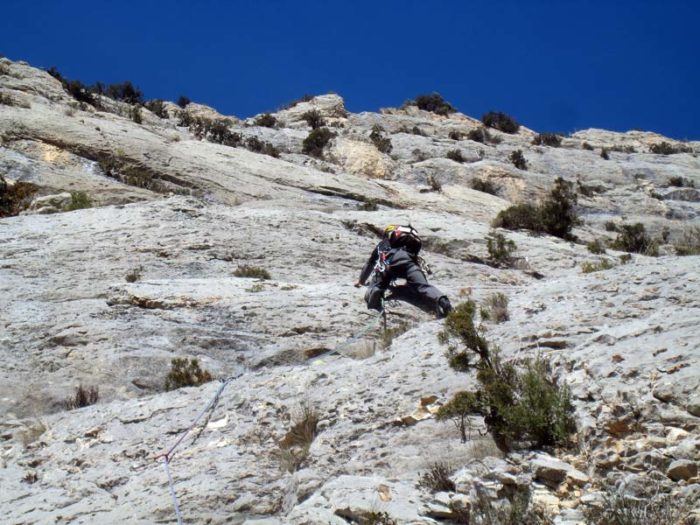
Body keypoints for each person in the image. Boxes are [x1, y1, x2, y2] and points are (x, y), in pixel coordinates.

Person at [355, 224, 452, 318]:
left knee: (377, 283)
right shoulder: (411, 247)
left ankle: (375, 299)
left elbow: (371, 263)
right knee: (423, 287)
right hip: (410, 262)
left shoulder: (384, 244)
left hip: (390, 262)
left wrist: (361, 281)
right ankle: (443, 302)